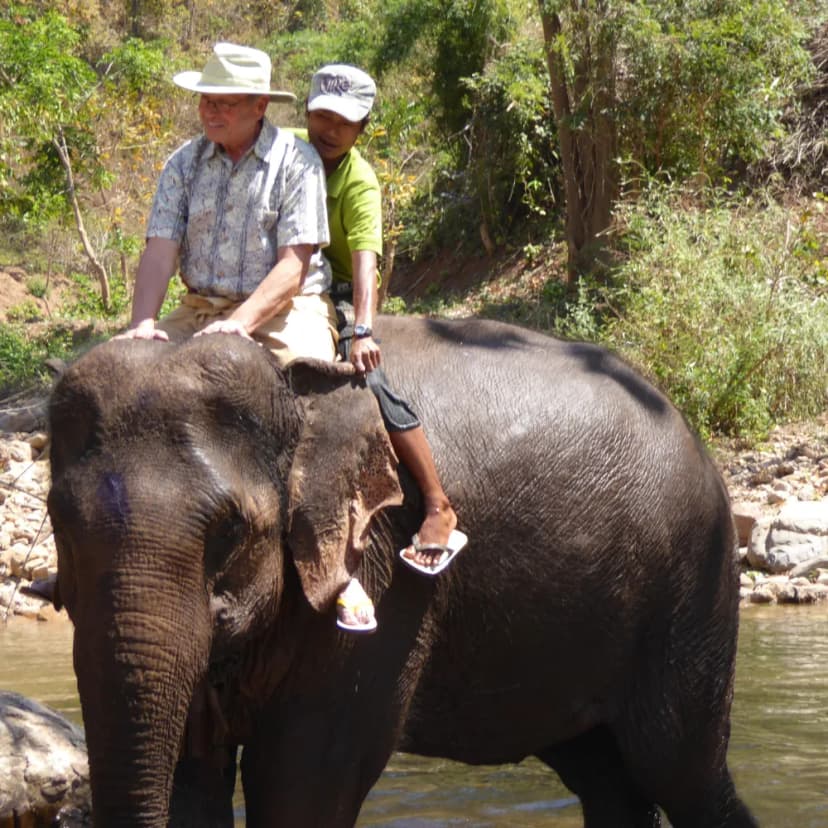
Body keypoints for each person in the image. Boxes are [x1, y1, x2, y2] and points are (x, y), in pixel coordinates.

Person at [295, 65, 467, 632]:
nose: (328, 128)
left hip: (338, 292)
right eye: (321, 114)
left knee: (365, 381)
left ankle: (438, 503)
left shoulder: (358, 183)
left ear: (362, 127)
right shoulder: (288, 153)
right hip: (276, 280)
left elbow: (365, 264)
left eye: (342, 121)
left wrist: (362, 329)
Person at [118, 42, 338, 366]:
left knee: (302, 372)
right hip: (199, 310)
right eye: (206, 100)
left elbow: (293, 267)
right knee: (126, 365)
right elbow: (160, 251)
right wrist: (143, 324)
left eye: (225, 104)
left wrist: (239, 323)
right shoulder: (182, 163)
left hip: (285, 313)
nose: (210, 112)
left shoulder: (298, 162)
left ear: (260, 106)